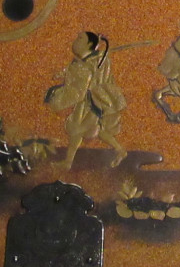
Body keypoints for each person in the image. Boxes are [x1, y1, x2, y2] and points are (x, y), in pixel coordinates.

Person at [46, 31, 127, 169]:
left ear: (89, 44)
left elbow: (89, 80)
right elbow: (73, 73)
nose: (76, 40)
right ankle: (119, 150)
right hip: (85, 101)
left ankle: (68, 163)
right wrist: (63, 74)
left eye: (80, 38)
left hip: (95, 101)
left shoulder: (97, 61)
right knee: (83, 129)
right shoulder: (82, 61)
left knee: (81, 129)